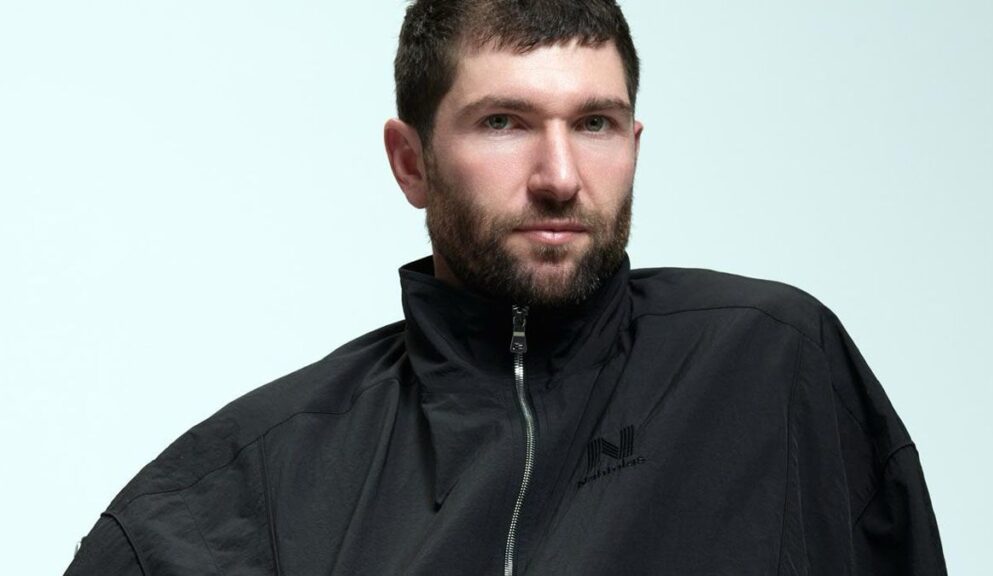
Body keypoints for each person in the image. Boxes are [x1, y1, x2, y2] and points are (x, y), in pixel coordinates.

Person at [65, 1, 947, 574]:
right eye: (503, 123)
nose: (560, 176)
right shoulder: (260, 486)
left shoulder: (770, 365)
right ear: (411, 162)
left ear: (633, 144)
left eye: (594, 123)